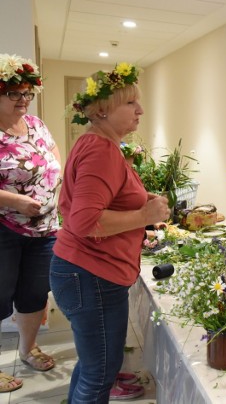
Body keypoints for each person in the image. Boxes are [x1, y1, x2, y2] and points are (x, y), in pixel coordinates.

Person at [49, 63, 171, 403]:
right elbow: (85, 221)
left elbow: (93, 203)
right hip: (92, 276)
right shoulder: (101, 150)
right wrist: (144, 214)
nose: (140, 110)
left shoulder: (97, 144)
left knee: (93, 367)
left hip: (86, 274)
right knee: (99, 373)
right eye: (130, 103)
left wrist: (141, 202)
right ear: (102, 110)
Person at [0, 54, 60, 393]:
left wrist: (57, 183)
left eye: (27, 93)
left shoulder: (36, 124)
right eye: (14, 93)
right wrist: (17, 201)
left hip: (45, 228)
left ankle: (27, 349)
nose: (23, 100)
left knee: (34, 293)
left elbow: (53, 154)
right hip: (5, 228)